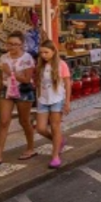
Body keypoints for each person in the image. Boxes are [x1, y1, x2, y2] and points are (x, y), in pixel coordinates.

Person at [0, 32, 36, 163]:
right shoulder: (3, 58)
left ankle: (30, 147)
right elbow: (0, 79)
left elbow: (27, 79)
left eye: (15, 44)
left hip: (23, 90)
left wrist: (9, 72)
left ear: (22, 45)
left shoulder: (27, 58)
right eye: (9, 44)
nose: (12, 47)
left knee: (24, 121)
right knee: (4, 121)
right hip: (7, 91)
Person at [34, 40, 71, 169]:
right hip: (43, 100)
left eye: (46, 52)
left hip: (57, 99)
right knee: (40, 128)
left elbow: (67, 83)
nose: (43, 55)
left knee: (55, 127)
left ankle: (55, 156)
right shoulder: (40, 66)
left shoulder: (62, 65)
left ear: (53, 52)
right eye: (41, 53)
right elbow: (38, 83)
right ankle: (59, 141)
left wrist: (67, 102)